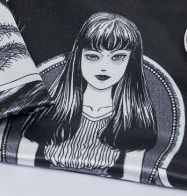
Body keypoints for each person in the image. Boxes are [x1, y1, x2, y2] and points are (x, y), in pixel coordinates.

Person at [19, 13, 158, 180]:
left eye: (117, 57)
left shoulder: (136, 119)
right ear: (78, 58)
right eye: (93, 56)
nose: (104, 67)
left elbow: (138, 174)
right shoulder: (48, 110)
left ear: (131, 62)